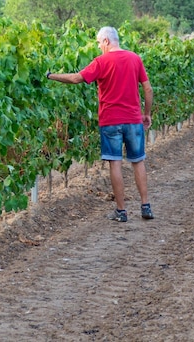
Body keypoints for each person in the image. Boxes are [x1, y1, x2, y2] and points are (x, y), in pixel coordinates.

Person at [46, 26, 154, 222]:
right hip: (133, 119)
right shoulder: (134, 58)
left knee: (115, 163)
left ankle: (121, 212)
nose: (98, 46)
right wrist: (146, 114)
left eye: (98, 42)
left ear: (106, 41)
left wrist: (51, 76)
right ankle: (145, 206)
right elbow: (148, 89)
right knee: (138, 161)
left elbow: (77, 78)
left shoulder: (102, 61)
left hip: (111, 120)